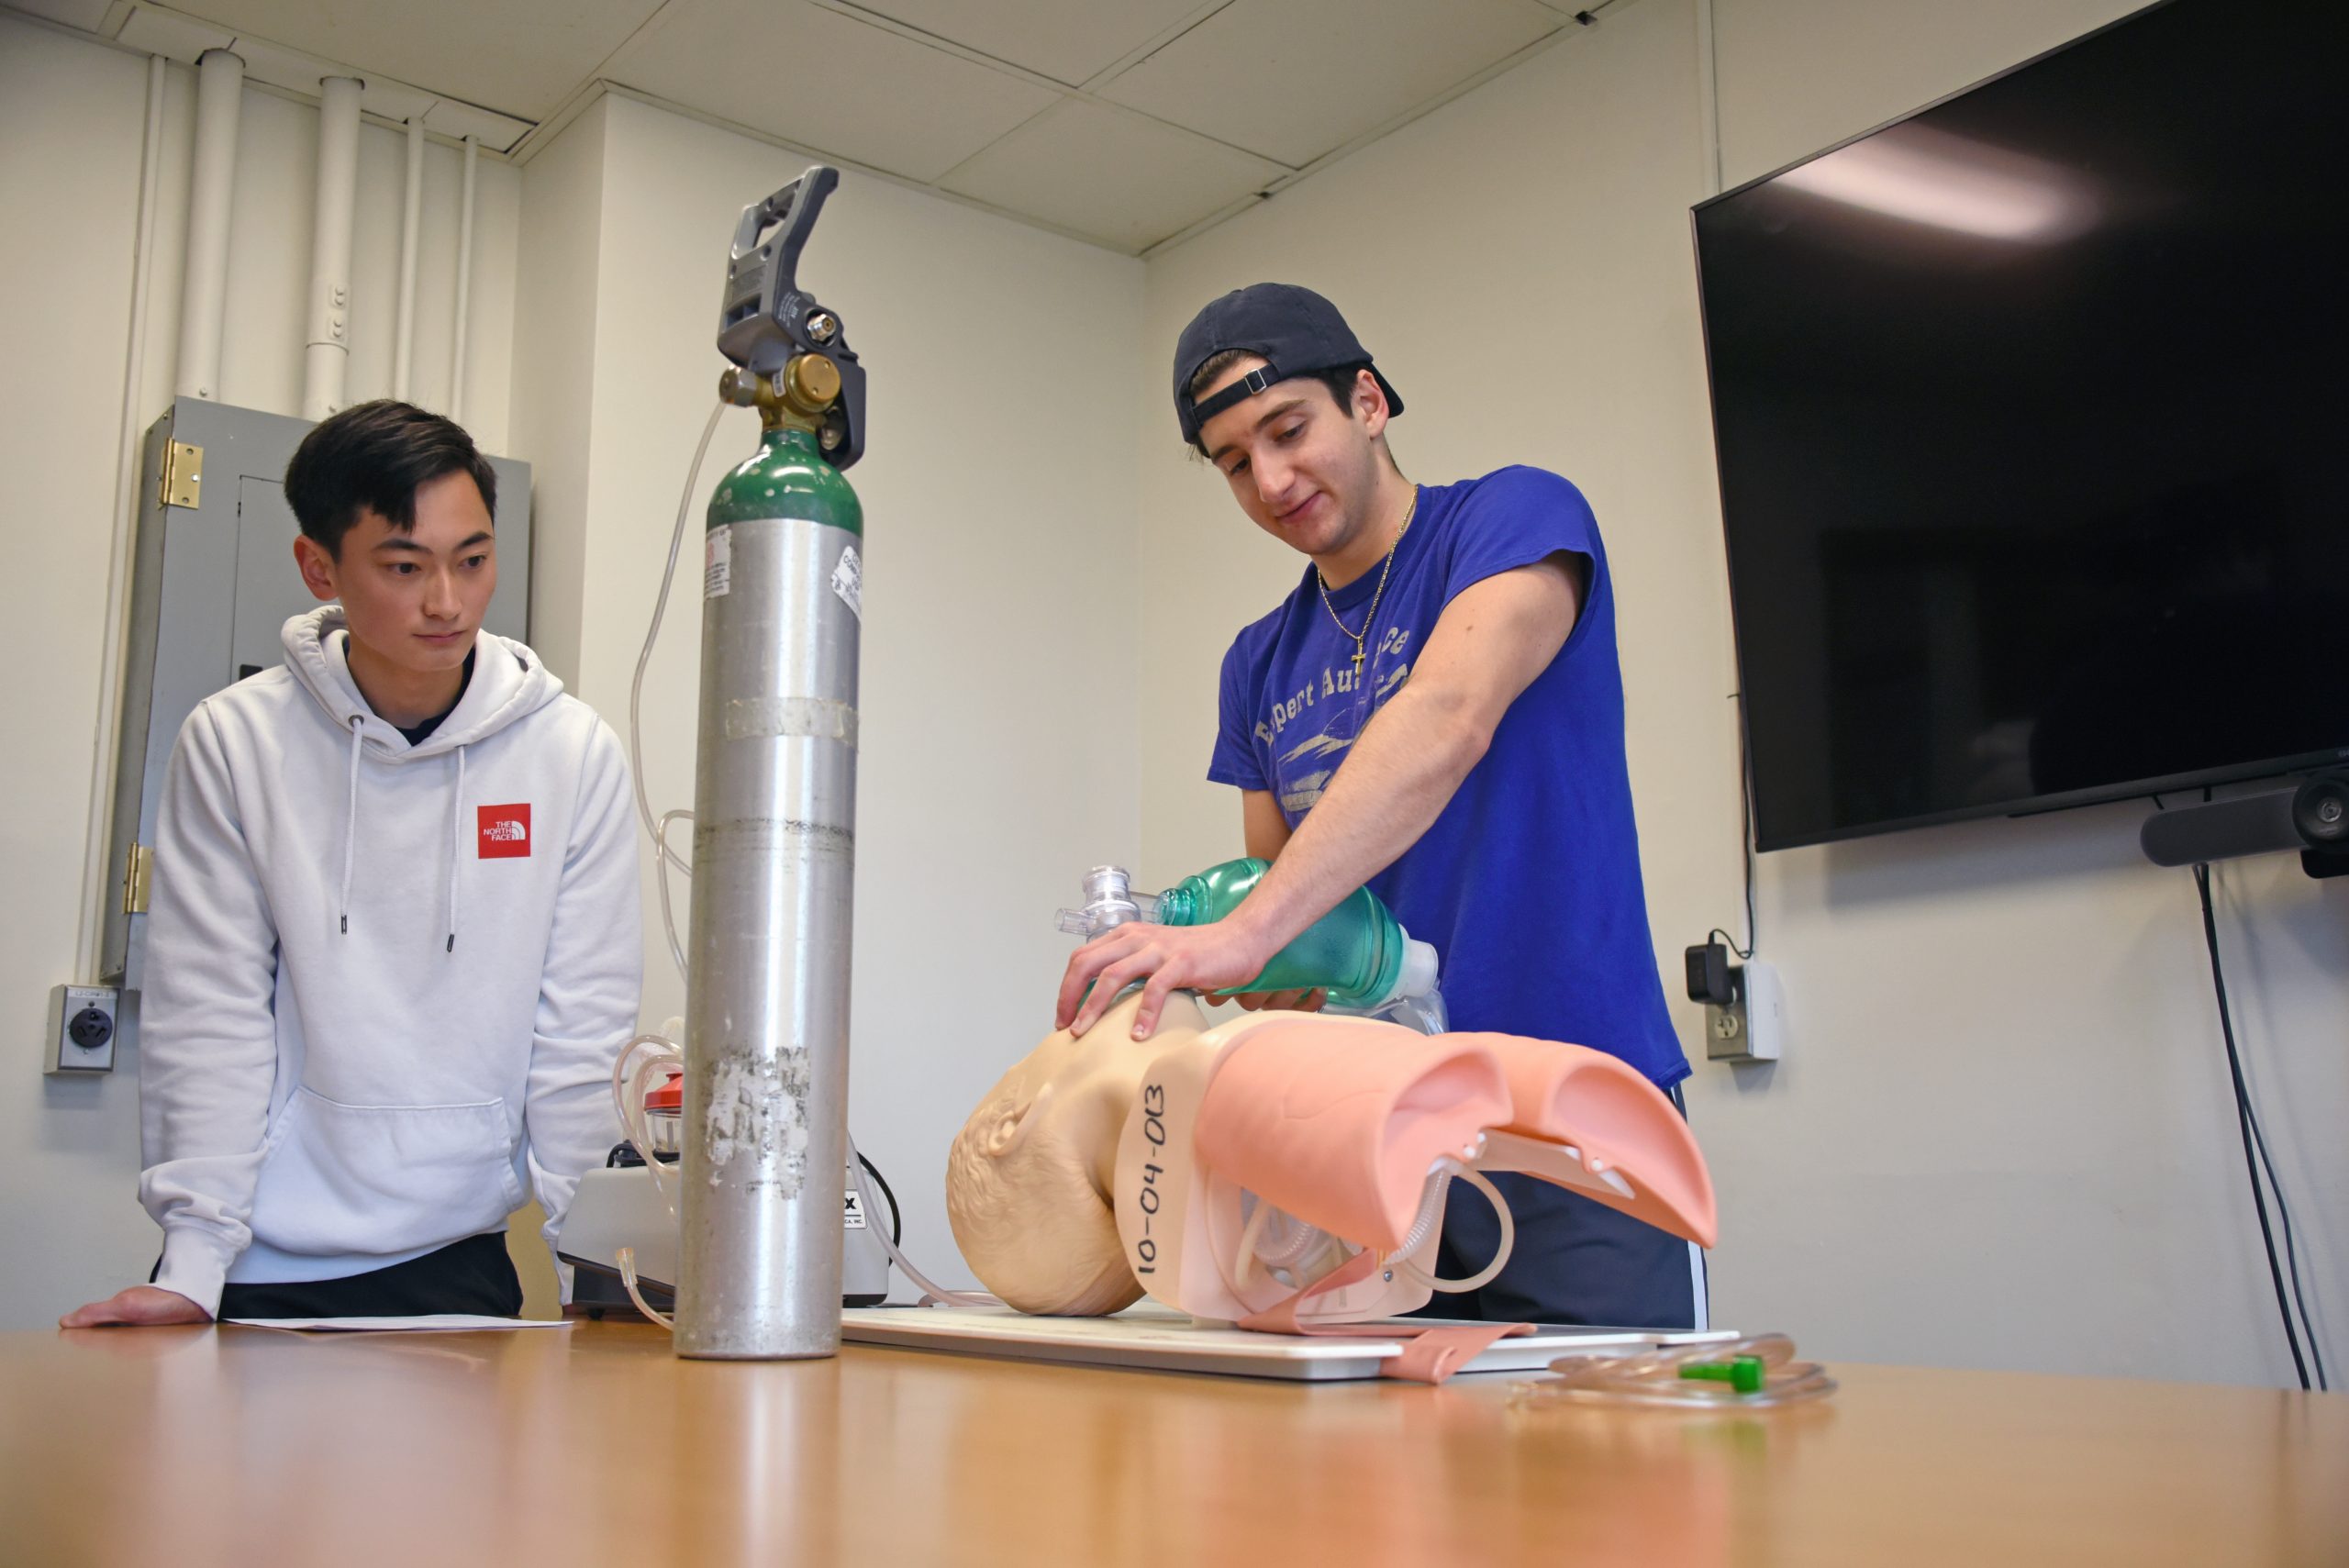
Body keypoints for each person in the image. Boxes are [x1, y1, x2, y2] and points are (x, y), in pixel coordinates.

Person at [1054, 284, 1699, 1329]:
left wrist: (1245, 931)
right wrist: (1205, 959)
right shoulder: (1256, 661)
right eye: (1231, 461)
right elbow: (1290, 911)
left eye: (1287, 429)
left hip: (1572, 1119)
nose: (1269, 480)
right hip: (1377, 1145)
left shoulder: (1515, 518)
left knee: (1612, 1473)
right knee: (1389, 1483)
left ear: (1366, 401)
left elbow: (1446, 717)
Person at [62, 401, 641, 1327]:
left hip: (460, 1263)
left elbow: (582, 1038)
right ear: (318, 566)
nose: (446, 600)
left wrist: (602, 1278)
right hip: (256, 1263)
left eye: (474, 558)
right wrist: (193, 1261)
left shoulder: (570, 755)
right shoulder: (236, 742)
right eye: (405, 566)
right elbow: (208, 1018)